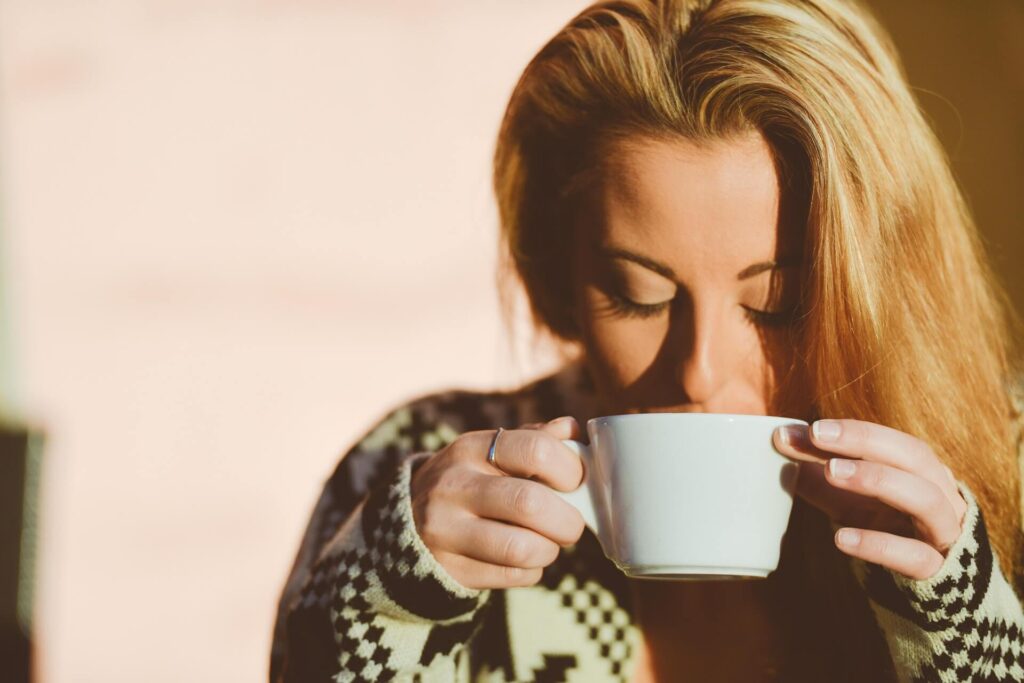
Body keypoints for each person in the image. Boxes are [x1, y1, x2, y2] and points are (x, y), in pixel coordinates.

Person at [270, 0, 1024, 680]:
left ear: (883, 285)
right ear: (561, 274)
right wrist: (384, 612)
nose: (698, 372)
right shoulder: (417, 467)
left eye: (777, 304)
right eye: (640, 295)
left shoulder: (1005, 475)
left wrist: (966, 630)